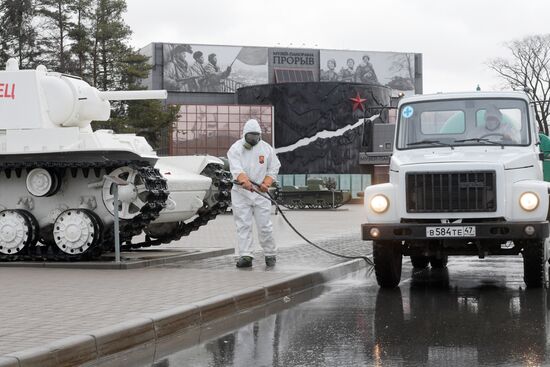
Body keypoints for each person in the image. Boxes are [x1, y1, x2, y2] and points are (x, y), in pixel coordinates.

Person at [227, 119, 281, 268]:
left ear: (260, 136)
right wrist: (244, 181)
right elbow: (236, 169)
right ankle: (246, 255)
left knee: (265, 225)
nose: (253, 140)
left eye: (256, 136)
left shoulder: (267, 149)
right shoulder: (235, 149)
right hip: (240, 194)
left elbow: (274, 167)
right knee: (243, 225)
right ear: (245, 135)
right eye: (251, 136)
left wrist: (267, 183)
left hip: (261, 194)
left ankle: (270, 254)